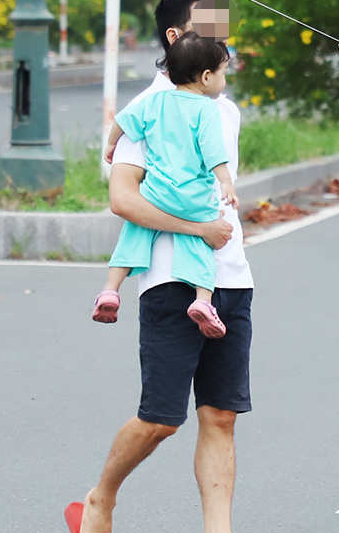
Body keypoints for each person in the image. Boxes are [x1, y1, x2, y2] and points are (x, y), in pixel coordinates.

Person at [65, 0, 283, 533]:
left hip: (228, 276)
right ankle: (99, 500)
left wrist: (224, 235)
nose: (226, 36)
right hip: (168, 279)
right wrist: (198, 229)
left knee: (221, 415)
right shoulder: (149, 110)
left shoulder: (222, 107)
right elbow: (122, 197)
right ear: (175, 38)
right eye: (211, 26)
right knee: (161, 418)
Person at [94, 33, 238, 337]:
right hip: (193, 197)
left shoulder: (154, 101)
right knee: (199, 242)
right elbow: (213, 152)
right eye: (224, 72)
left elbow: (122, 121)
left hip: (157, 192)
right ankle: (202, 300)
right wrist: (225, 182)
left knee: (135, 232)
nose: (225, 79)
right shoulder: (205, 109)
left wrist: (110, 144)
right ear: (207, 76)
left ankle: (110, 289)